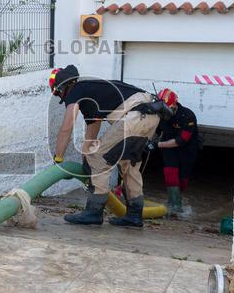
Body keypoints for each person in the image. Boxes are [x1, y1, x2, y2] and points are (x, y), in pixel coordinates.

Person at [49, 65, 175, 227]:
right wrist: (87, 160)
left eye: (56, 90)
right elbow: (91, 134)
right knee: (129, 165)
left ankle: (93, 212)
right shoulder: (92, 94)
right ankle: (134, 216)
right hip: (151, 115)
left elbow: (66, 127)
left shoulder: (76, 90)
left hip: (135, 114)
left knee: (99, 158)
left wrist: (58, 159)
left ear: (61, 86)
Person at [154, 89, 201, 214]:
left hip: (187, 149)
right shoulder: (160, 114)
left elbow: (181, 140)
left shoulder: (188, 115)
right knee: (170, 172)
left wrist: (157, 144)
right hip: (168, 148)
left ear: (175, 104)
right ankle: (174, 206)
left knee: (183, 180)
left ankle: (175, 201)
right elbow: (155, 131)